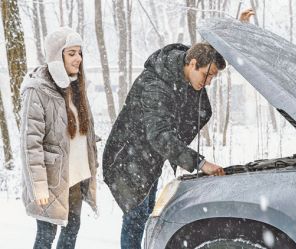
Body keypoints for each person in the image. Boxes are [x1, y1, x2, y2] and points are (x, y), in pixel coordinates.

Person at [102, 41, 226, 249]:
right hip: (126, 160)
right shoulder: (156, 85)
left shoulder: (182, 74)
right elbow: (159, 135)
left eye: (213, 76)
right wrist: (200, 163)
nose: (209, 82)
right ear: (193, 63)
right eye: (207, 74)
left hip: (149, 157)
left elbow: (210, 47)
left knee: (146, 216)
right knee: (135, 219)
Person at [20, 27, 98, 249]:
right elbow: (30, 144)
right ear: (57, 55)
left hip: (75, 178)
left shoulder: (78, 87)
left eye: (80, 53)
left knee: (72, 230)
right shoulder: (38, 90)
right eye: (71, 53)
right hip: (51, 180)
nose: (78, 59)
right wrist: (39, 187)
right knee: (46, 236)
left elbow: (78, 132)